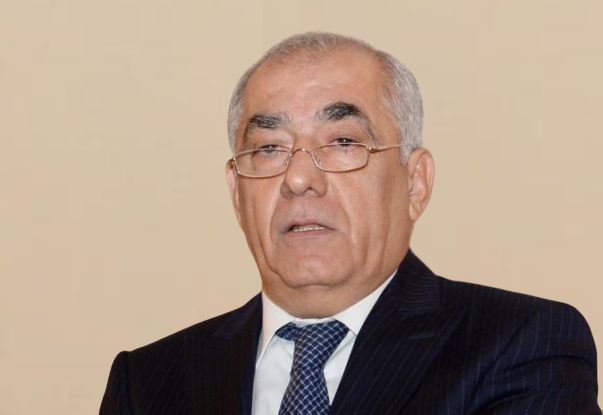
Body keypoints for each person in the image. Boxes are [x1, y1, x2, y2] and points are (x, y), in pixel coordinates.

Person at [100, 32, 600, 414]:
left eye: (343, 143)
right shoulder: (147, 383)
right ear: (236, 191)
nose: (299, 179)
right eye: (269, 148)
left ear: (415, 182)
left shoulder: (521, 345)